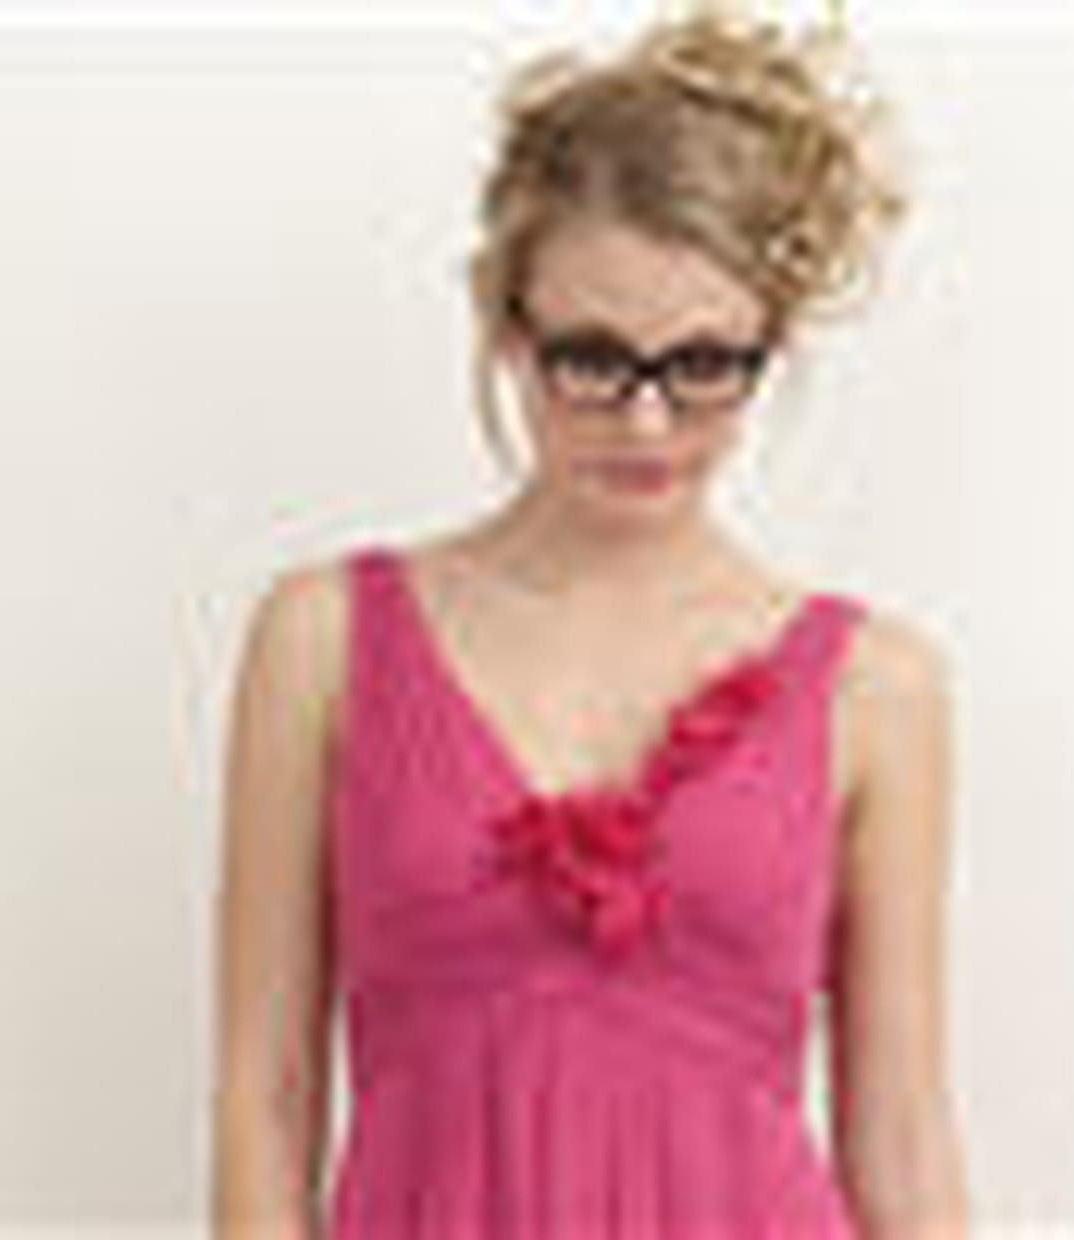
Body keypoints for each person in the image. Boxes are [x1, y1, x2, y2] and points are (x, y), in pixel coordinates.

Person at [211, 7, 969, 1238]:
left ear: (769, 348)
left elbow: (902, 1133)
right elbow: (266, 1095)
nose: (647, 421)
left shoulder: (876, 688)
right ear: (507, 328)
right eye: (593, 358)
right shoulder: (323, 641)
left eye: (705, 364)